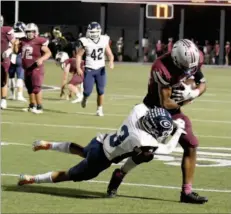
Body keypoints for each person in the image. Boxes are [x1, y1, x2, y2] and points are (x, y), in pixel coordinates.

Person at [107, 39, 208, 204]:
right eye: (185, 67)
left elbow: (202, 83)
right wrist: (185, 99)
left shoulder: (194, 59)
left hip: (174, 111)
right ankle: (120, 174)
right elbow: (165, 103)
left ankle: (186, 192)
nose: (189, 70)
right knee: (145, 154)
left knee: (191, 144)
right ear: (176, 59)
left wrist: (194, 93)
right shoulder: (161, 67)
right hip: (153, 111)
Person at [18, 105, 186, 191]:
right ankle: (33, 179)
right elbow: (168, 148)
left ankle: (50, 145)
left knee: (83, 151)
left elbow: (150, 112)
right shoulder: (143, 139)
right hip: (101, 159)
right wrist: (178, 131)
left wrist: (170, 123)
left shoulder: (138, 111)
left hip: (100, 141)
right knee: (69, 175)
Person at [76, 22, 114, 116]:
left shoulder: (104, 40)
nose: (94, 34)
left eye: (95, 32)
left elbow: (110, 54)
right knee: (87, 91)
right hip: (89, 69)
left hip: (101, 69)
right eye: (92, 32)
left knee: (101, 90)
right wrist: (78, 68)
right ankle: (85, 98)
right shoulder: (86, 41)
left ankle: (99, 109)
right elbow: (79, 55)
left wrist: (111, 61)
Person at [13, 23, 51, 114]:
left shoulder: (39, 41)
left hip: (36, 67)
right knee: (29, 88)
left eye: (32, 31)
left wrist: (41, 59)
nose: (30, 33)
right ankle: (32, 105)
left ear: (35, 32)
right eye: (28, 31)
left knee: (36, 88)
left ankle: (39, 107)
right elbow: (16, 52)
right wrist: (15, 45)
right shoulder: (22, 40)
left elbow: (48, 53)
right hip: (27, 68)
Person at [8, 21, 27, 102]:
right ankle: (19, 95)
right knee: (19, 77)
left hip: (11, 57)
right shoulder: (24, 36)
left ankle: (12, 95)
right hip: (19, 57)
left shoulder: (11, 35)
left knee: (11, 77)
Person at [1, 15, 16, 109]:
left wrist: (9, 50)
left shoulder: (6, 30)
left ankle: (3, 100)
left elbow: (14, 42)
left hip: (3, 58)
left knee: (3, 80)